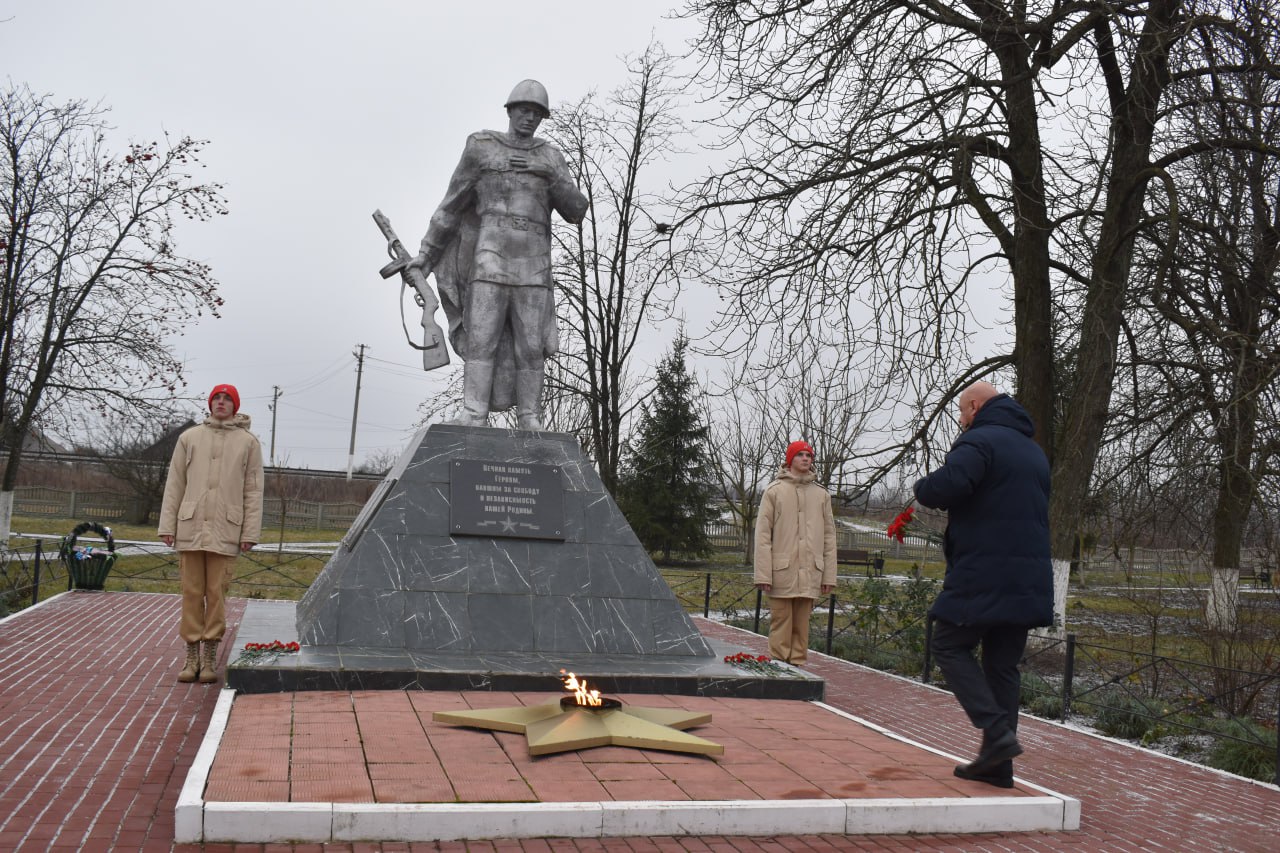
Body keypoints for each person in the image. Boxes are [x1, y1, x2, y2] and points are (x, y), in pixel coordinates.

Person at [409, 79, 588, 429]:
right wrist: (426, 255)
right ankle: (474, 413)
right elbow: (450, 207)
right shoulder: (482, 148)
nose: (530, 119)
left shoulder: (550, 157)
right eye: (524, 110)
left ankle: (530, 418)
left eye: (537, 114)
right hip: (489, 262)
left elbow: (576, 209)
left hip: (534, 268)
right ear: (510, 110)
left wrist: (553, 177)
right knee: (481, 342)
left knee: (530, 348)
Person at [913, 381, 1053, 788]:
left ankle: (995, 731)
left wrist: (922, 487)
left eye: (960, 411)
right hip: (1028, 576)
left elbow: (945, 488)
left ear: (974, 407)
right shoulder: (1033, 451)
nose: (960, 419)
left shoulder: (979, 442)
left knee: (947, 643)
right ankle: (997, 765)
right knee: (1002, 667)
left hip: (985, 571)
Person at [159, 384, 264, 684]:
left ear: (235, 405)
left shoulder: (248, 443)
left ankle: (209, 658)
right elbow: (175, 483)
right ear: (210, 403)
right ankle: (191, 655)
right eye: (216, 398)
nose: (221, 403)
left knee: (216, 594)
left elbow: (254, 491)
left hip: (226, 529)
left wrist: (249, 531)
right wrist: (167, 526)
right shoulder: (189, 438)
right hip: (190, 525)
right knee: (192, 592)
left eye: (226, 399)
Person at [753, 440, 837, 665]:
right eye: (800, 455)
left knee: (802, 624)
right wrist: (763, 575)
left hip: (810, 570)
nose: (805, 459)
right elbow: (762, 536)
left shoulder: (822, 495)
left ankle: (798, 666)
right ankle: (779, 666)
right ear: (790, 459)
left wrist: (828, 575)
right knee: (781, 621)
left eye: (808, 455)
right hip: (782, 570)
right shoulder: (774, 491)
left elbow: (829, 537)